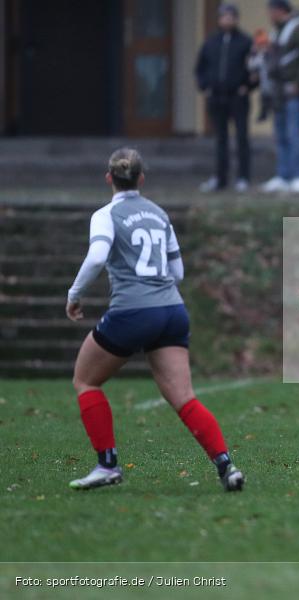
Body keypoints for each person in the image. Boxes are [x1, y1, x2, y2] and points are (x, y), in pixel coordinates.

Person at [65, 148, 245, 491]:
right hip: (173, 311)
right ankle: (227, 467)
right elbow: (177, 271)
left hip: (133, 310)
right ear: (141, 179)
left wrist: (74, 295)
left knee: (85, 380)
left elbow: (97, 257)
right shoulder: (159, 214)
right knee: (184, 396)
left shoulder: (105, 215)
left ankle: (107, 466)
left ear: (109, 179)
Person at [194, 3, 254, 193]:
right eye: (224, 16)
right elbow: (200, 68)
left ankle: (243, 177)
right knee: (220, 139)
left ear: (236, 19)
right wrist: (205, 87)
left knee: (242, 137)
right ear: (219, 19)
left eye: (231, 16)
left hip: (238, 97)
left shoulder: (246, 42)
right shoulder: (211, 42)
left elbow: (256, 69)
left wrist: (249, 87)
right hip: (216, 97)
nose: (227, 20)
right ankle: (220, 178)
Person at [260, 0, 299, 195]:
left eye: (271, 11)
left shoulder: (298, 29)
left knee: (294, 134)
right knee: (281, 134)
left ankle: (298, 176)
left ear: (280, 11)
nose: (269, 15)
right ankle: (283, 176)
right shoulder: (276, 31)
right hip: (277, 91)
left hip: (293, 91)